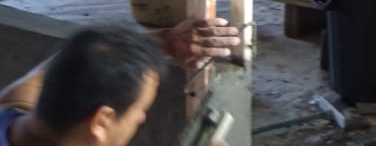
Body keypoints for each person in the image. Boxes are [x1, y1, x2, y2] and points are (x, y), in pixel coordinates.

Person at [0, 18, 239, 146]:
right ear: (101, 121)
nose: (141, 118)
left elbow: (65, 61)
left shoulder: (9, 115)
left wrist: (164, 42)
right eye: (140, 109)